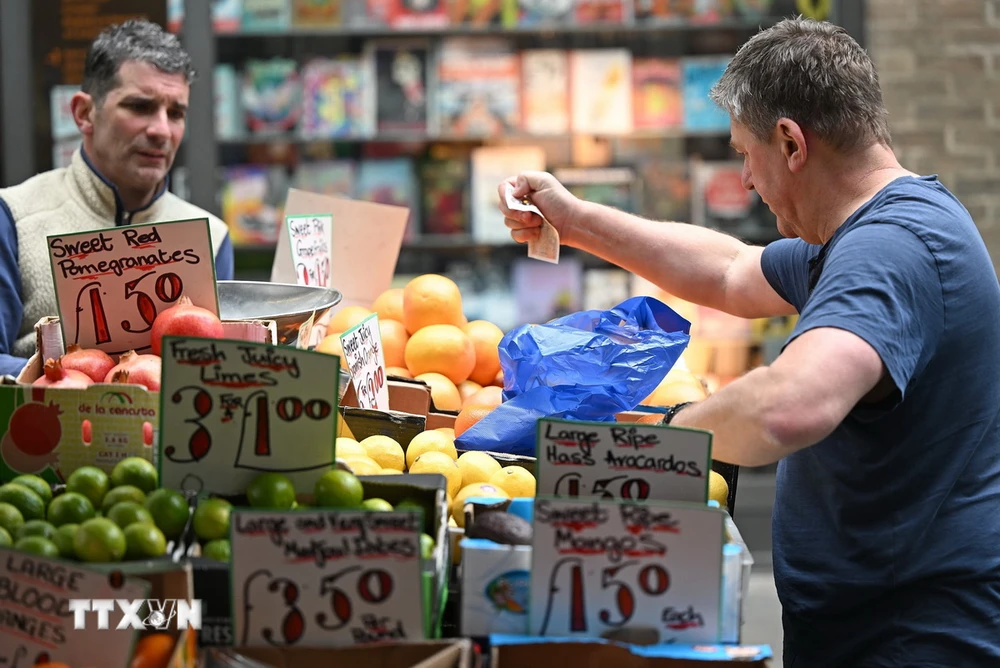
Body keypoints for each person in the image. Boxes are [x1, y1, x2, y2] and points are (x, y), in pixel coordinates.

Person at [498, 17, 1000, 668]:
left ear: (791, 143)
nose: (747, 182)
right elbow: (731, 271)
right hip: (882, 619)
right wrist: (574, 220)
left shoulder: (888, 250)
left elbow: (788, 405)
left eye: (744, 153)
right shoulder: (867, 234)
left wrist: (650, 445)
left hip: (909, 634)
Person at [0, 19, 233, 377]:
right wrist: (76, 382)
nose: (161, 130)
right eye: (140, 107)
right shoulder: (13, 215)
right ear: (83, 113)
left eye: (176, 113)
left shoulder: (211, 237)